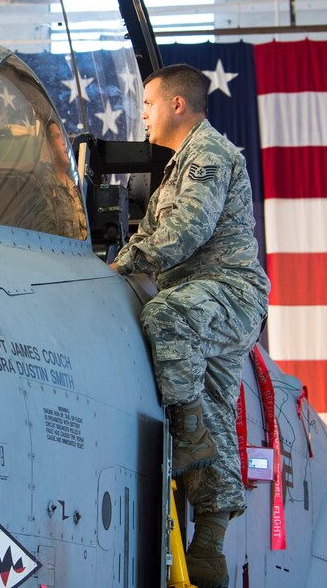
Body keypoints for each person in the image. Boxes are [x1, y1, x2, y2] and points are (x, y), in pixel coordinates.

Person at [110, 63, 270, 588]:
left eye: (149, 105)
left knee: (166, 315)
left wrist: (118, 267)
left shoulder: (208, 156)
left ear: (178, 105)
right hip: (204, 299)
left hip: (229, 292)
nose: (144, 117)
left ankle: (192, 435)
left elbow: (184, 233)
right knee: (219, 410)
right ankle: (210, 546)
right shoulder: (179, 166)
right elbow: (159, 227)